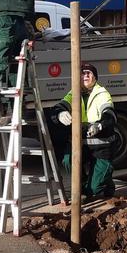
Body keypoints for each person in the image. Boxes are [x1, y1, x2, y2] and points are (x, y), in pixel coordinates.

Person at [47, 63, 118, 199]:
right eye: (82, 73)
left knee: (93, 189)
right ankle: (87, 184)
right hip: (80, 145)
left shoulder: (102, 94)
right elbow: (58, 107)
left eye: (89, 73)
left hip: (101, 147)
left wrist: (100, 125)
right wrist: (60, 114)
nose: (85, 75)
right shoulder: (74, 93)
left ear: (95, 78)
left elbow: (110, 114)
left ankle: (105, 183)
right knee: (68, 161)